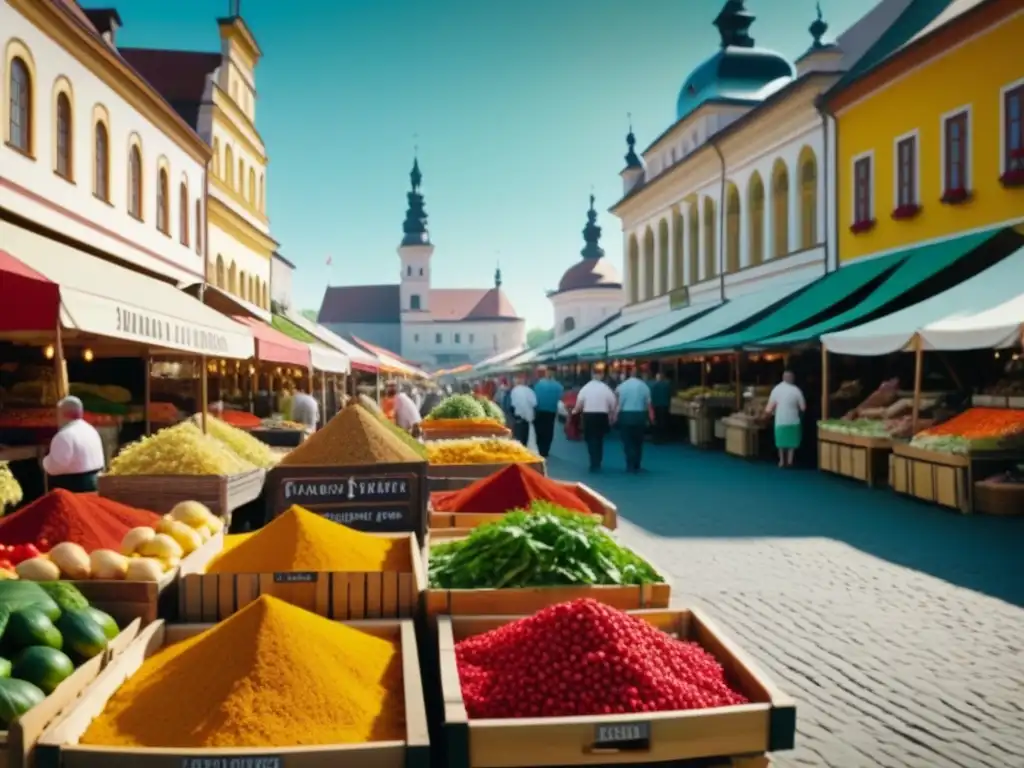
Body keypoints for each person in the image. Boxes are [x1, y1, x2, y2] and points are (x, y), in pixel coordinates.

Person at [42, 396, 105, 492]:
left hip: (74, 488)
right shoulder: (91, 430)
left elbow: (56, 467)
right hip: (96, 484)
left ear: (63, 414)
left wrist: (45, 461)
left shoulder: (64, 436)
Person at [573, 372, 616, 472]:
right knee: (599, 438)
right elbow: (613, 403)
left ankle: (593, 460)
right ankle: (598, 460)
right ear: (601, 377)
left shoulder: (585, 388)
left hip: (589, 415)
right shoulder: (606, 388)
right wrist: (612, 415)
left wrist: (574, 412)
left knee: (590, 438)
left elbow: (579, 404)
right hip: (602, 415)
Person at [765, 370, 807, 468]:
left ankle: (781, 461)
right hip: (793, 419)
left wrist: (767, 414)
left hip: (780, 420)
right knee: (792, 442)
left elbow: (769, 407)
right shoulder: (796, 390)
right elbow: (803, 407)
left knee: (780, 442)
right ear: (792, 378)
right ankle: (790, 461)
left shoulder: (776, 389)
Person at [615, 367, 653, 473]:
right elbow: (648, 404)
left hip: (626, 416)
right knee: (638, 442)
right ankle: (637, 464)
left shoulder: (621, 386)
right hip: (640, 416)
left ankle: (629, 464)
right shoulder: (644, 386)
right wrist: (651, 417)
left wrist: (614, 416)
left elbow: (618, 404)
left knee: (627, 441)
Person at [531, 368, 563, 459]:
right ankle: (545, 451)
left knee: (539, 430)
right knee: (548, 431)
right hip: (551, 411)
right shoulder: (558, 386)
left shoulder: (539, 384)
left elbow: (534, 397)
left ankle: (539, 448)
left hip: (539, 410)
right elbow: (560, 398)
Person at [508, 374, 536, 446]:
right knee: (525, 437)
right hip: (528, 419)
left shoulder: (514, 390)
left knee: (518, 437)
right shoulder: (530, 390)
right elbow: (534, 403)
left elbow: (512, 405)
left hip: (518, 418)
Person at [649, 370, 672, 443]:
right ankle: (664, 437)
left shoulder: (654, 385)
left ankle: (656, 438)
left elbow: (651, 396)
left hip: (656, 406)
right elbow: (669, 395)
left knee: (656, 422)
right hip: (665, 405)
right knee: (664, 421)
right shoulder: (667, 385)